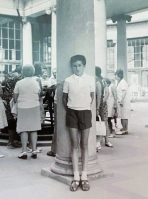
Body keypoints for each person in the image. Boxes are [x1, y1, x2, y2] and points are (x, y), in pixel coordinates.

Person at [63, 55, 94, 192]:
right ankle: (76, 177)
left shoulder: (90, 79)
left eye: (79, 65)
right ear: (72, 66)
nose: (77, 68)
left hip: (85, 112)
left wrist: (84, 105)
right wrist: (72, 108)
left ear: (84, 66)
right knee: (74, 144)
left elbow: (92, 96)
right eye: (74, 65)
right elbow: (64, 98)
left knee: (84, 144)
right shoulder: (68, 80)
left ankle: (84, 177)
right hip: (72, 113)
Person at [13, 64, 41, 159]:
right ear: (32, 72)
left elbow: (15, 97)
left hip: (22, 107)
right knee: (33, 129)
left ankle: (24, 151)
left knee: (23, 129)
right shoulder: (36, 82)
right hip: (34, 106)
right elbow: (39, 93)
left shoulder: (19, 83)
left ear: (23, 72)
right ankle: (34, 150)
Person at [2, 65, 22, 149]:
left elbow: (2, 84)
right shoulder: (20, 76)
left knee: (10, 119)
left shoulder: (8, 75)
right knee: (17, 119)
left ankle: (10, 141)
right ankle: (15, 140)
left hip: (7, 99)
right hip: (14, 99)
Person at [95, 67, 113, 151]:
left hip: (99, 105)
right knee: (104, 122)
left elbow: (98, 96)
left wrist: (98, 106)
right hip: (104, 104)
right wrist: (104, 101)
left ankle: (98, 141)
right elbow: (107, 93)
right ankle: (107, 140)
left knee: (98, 122)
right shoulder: (104, 80)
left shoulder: (97, 82)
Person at [115, 69, 130, 135]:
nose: (115, 77)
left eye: (115, 75)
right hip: (122, 101)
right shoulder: (121, 82)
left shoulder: (123, 82)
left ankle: (124, 129)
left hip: (123, 101)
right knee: (123, 115)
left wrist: (121, 100)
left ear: (118, 75)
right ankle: (124, 128)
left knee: (124, 115)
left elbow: (124, 92)